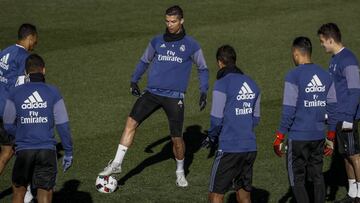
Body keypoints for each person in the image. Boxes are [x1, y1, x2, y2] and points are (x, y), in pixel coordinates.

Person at [98, 5, 209, 188]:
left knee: (176, 139)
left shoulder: (191, 45)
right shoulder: (157, 41)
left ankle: (180, 171)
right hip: (151, 93)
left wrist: (204, 90)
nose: (170, 25)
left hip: (174, 98)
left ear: (181, 21)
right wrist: (134, 80)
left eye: (173, 21)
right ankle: (116, 164)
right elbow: (144, 60)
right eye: (167, 21)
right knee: (130, 123)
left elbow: (203, 68)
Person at [273, 36, 337, 203]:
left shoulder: (293, 76)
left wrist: (280, 136)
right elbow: (333, 108)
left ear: (296, 53)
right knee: (317, 176)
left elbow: (289, 109)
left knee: (297, 180)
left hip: (298, 137)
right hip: (318, 136)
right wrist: (330, 136)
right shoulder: (325, 75)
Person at [2, 54, 73, 203]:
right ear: (44, 70)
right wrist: (68, 151)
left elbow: (8, 124)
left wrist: (21, 135)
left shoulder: (15, 93)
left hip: (24, 151)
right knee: (45, 195)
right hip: (47, 151)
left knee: (19, 193)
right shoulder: (53, 91)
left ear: (26, 73)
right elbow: (63, 124)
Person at [203, 45, 260, 203]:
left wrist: (212, 136)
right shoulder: (253, 84)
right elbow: (255, 119)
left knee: (215, 195)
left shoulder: (221, 84)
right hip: (249, 148)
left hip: (229, 148)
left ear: (220, 63)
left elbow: (216, 119)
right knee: (244, 194)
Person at [318, 23, 360, 203]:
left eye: (322, 41)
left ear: (330, 39)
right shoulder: (335, 59)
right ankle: (352, 193)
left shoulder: (348, 59)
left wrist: (349, 117)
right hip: (338, 115)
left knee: (354, 154)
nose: (321, 45)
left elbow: (355, 90)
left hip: (347, 116)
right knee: (344, 154)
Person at [0, 23, 38, 175]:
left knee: (7, 151)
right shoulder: (25, 58)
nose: (36, 44)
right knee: (29, 149)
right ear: (30, 38)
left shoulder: (5, 52)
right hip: (8, 112)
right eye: (36, 39)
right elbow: (23, 87)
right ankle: (28, 192)